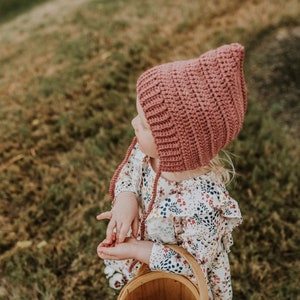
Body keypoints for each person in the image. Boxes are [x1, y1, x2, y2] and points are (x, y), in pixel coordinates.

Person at [97, 43, 247, 299]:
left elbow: (192, 266)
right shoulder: (147, 154)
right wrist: (126, 200)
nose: (133, 123)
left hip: (185, 284)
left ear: (176, 145)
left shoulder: (202, 203)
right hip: (148, 262)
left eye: (143, 123)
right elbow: (129, 174)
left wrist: (137, 250)